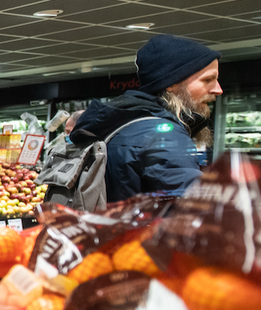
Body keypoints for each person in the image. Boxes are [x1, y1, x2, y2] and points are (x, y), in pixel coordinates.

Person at [71, 35, 222, 202]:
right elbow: (191, 211)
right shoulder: (164, 135)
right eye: (208, 80)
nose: (218, 89)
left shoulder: (119, 122)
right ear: (171, 83)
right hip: (144, 228)